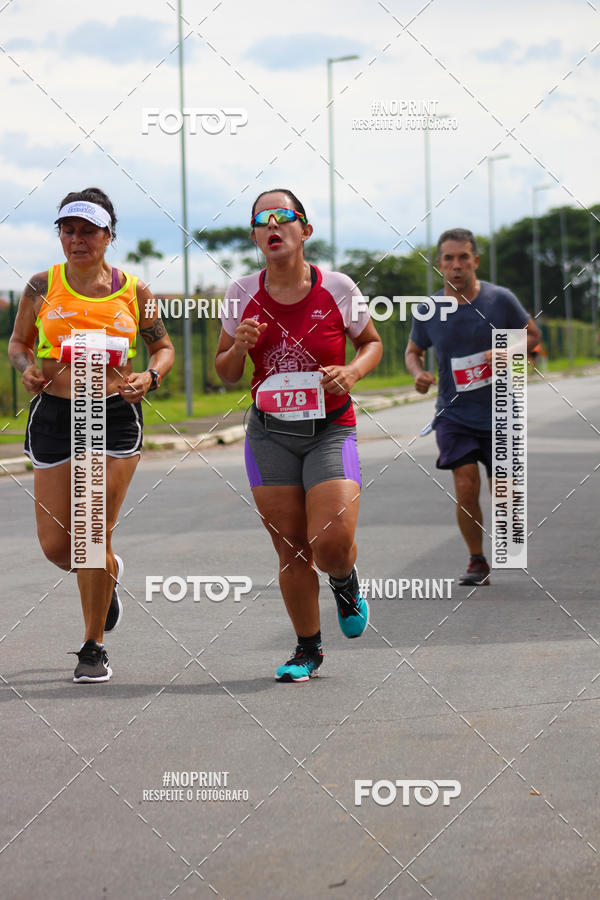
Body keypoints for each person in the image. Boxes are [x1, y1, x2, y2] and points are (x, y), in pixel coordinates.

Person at [215, 189, 382, 682]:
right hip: (270, 434)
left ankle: (344, 579)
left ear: (304, 230)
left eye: (282, 216)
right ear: (255, 237)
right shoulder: (241, 293)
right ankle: (307, 649)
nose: (272, 226)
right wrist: (238, 347)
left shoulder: (338, 287)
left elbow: (371, 344)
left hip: (330, 428)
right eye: (260, 220)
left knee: (330, 543)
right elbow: (224, 372)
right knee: (290, 548)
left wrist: (351, 372)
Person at [8, 187, 174, 682]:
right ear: (60, 235)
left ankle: (92, 647)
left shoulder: (134, 292)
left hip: (113, 417)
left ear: (108, 235)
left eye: (88, 230)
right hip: (56, 416)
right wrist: (25, 368)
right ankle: (108, 575)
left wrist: (152, 377)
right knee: (59, 548)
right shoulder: (41, 285)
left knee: (88, 532)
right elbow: (19, 343)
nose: (77, 239)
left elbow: (161, 346)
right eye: (68, 229)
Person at [405, 227, 540, 586]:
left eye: (463, 257)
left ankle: (506, 545)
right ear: (439, 265)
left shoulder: (500, 300)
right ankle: (476, 560)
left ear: (475, 260)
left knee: (504, 494)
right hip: (454, 416)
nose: (456, 265)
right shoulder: (429, 309)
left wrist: (509, 351)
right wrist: (418, 374)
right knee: (466, 485)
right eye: (448, 258)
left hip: (501, 412)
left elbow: (533, 336)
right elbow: (413, 352)